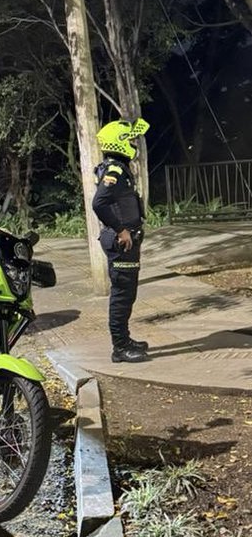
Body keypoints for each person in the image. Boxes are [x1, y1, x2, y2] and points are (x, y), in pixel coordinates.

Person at [92, 118, 150, 364]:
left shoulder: (117, 168)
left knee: (127, 294)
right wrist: (121, 230)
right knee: (122, 294)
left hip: (126, 243)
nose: (133, 143)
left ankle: (125, 339)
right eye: (129, 139)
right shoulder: (114, 171)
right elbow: (99, 203)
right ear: (119, 142)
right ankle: (120, 348)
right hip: (121, 243)